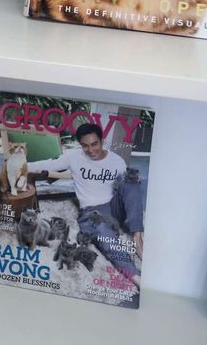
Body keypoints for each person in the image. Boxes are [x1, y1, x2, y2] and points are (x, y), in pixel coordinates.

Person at [27, 122, 144, 287]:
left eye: (94, 144)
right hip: (91, 212)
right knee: (104, 234)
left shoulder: (116, 161)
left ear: (102, 141)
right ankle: (135, 276)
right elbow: (48, 164)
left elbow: (128, 189)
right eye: (85, 146)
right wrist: (21, 164)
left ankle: (139, 239)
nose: (91, 150)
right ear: (80, 145)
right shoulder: (74, 157)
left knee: (132, 180)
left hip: (114, 208)